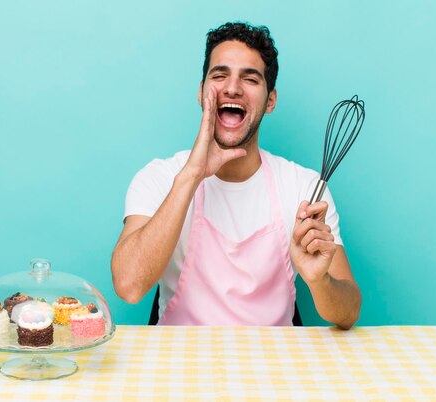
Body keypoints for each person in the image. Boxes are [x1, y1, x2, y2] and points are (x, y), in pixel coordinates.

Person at [111, 22, 361, 329]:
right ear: (202, 92)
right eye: (219, 75)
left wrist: (320, 280)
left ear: (270, 100)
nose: (232, 88)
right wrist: (192, 174)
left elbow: (348, 314)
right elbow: (128, 286)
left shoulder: (304, 188)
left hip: (274, 365)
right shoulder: (159, 177)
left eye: (250, 78)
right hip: (179, 365)